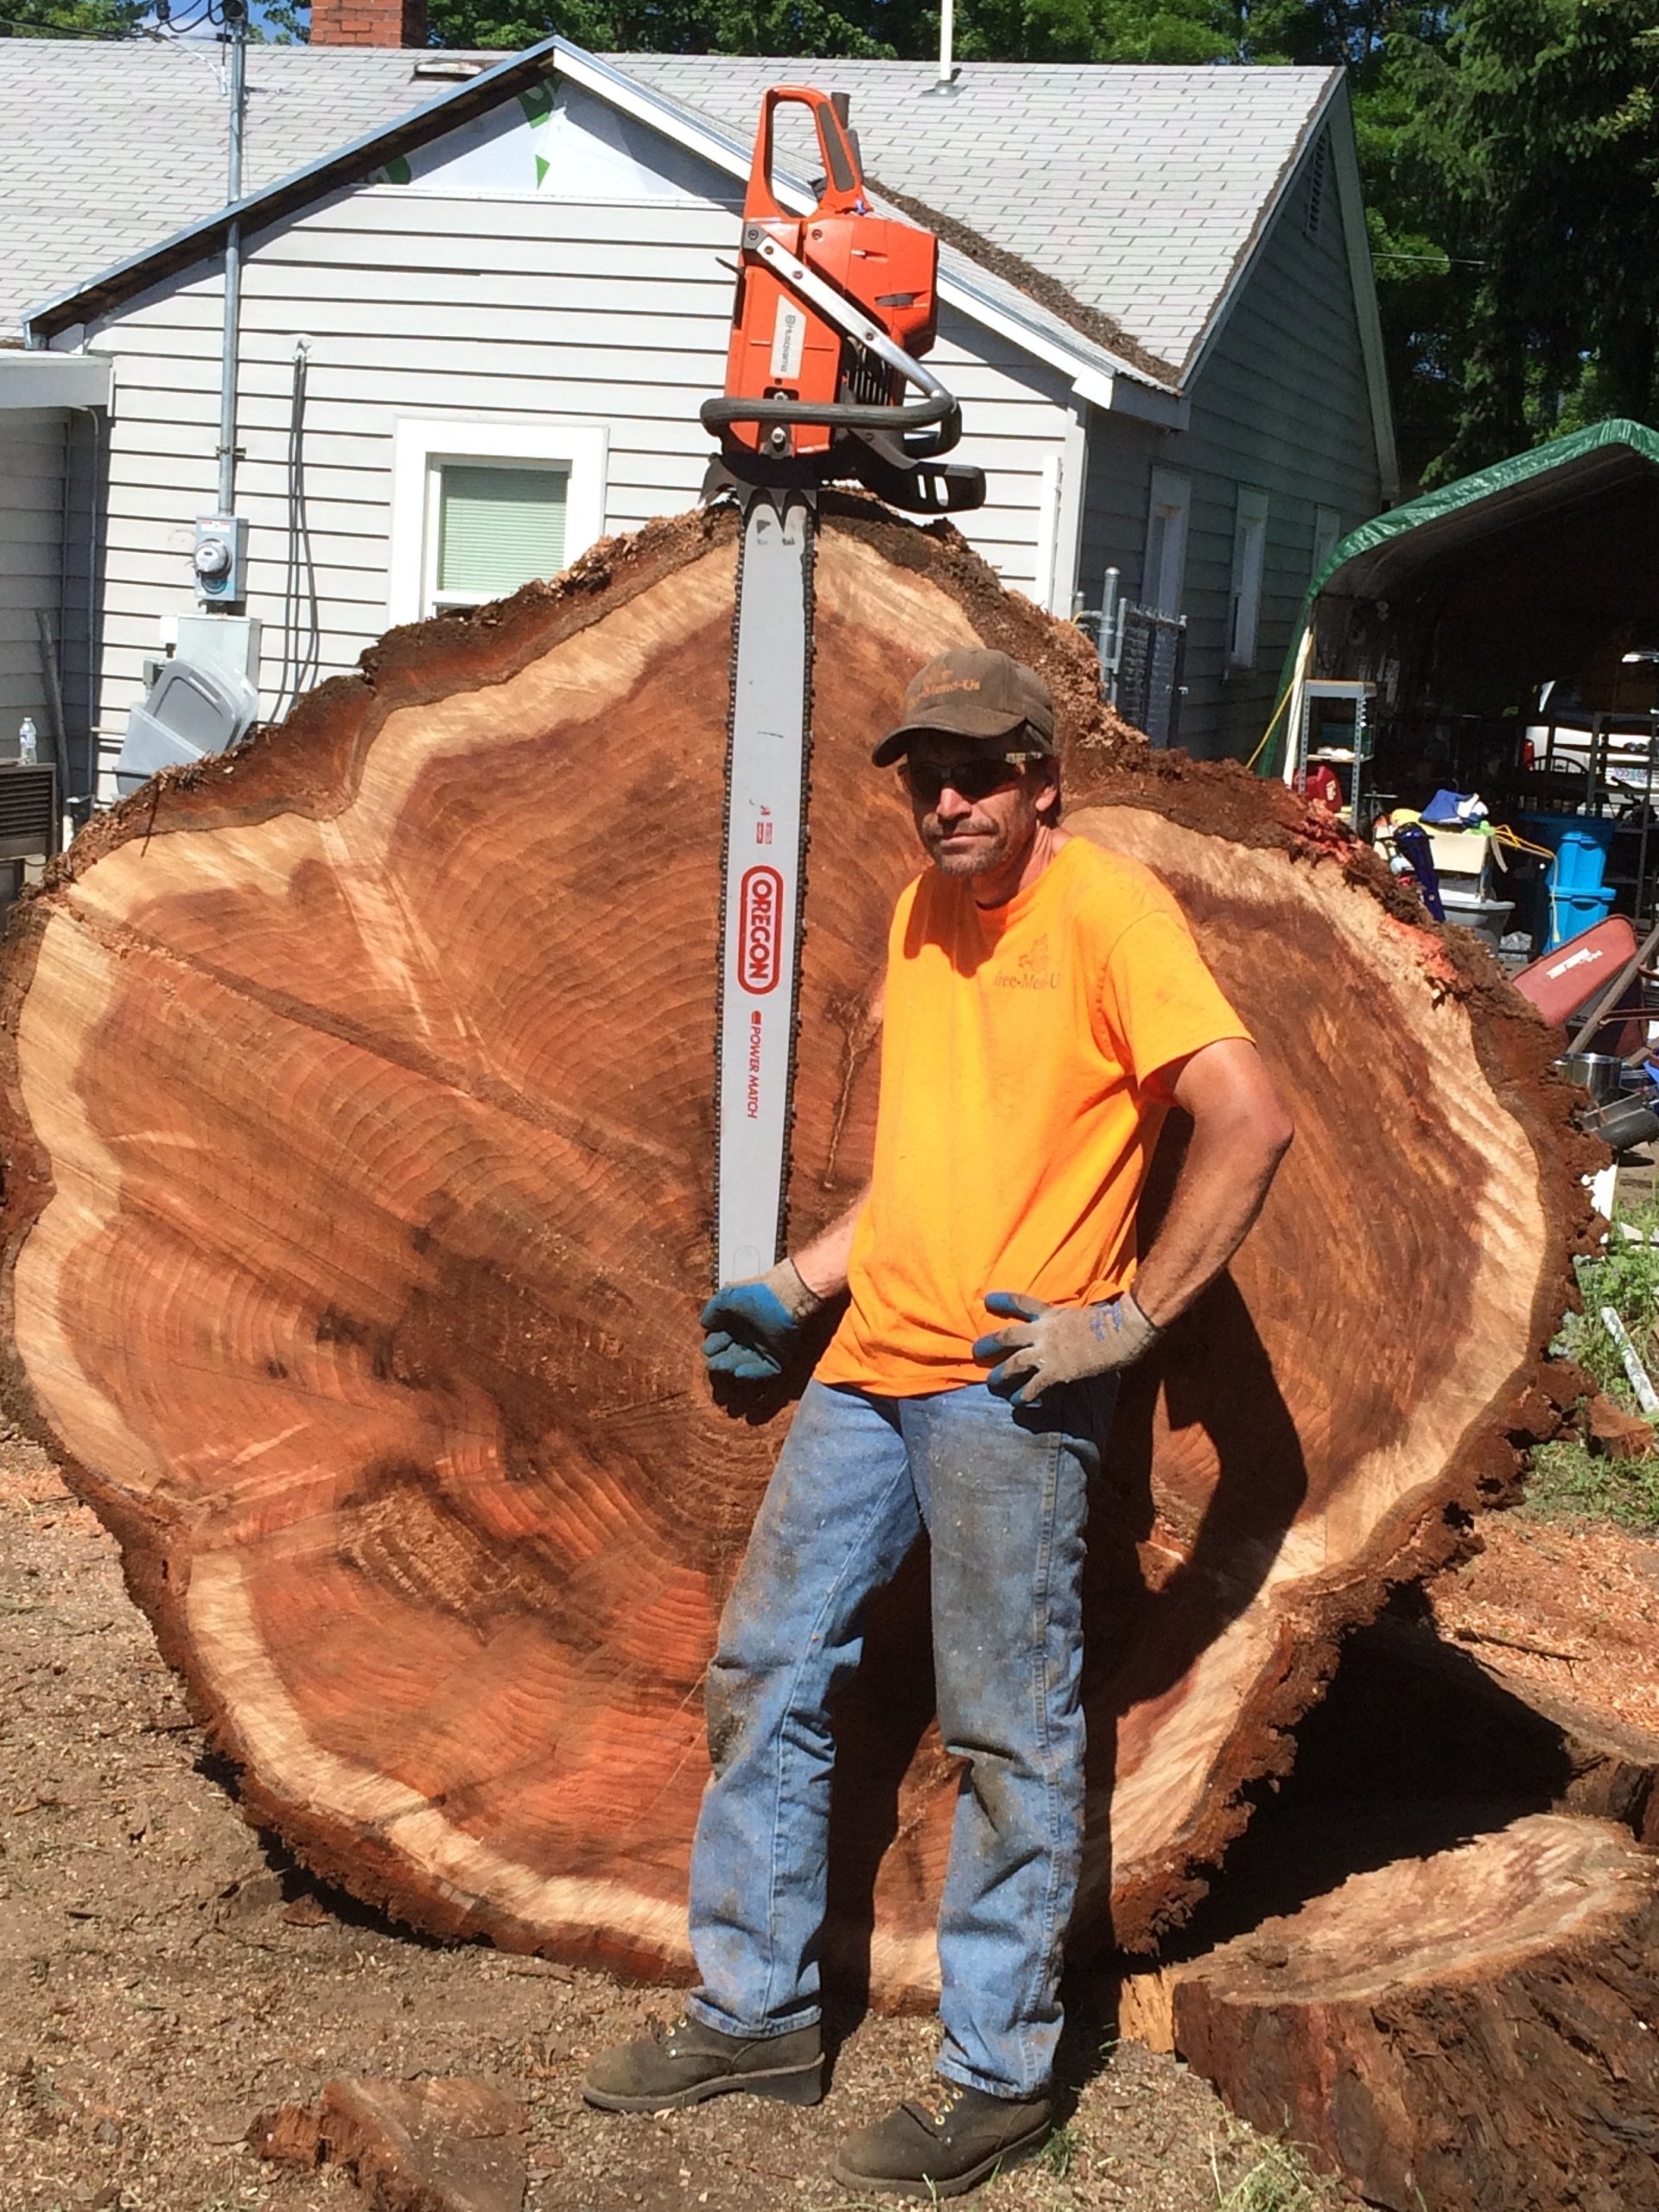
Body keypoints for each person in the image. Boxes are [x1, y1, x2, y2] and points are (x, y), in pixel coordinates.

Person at [583, 647, 1294, 2197]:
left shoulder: (1109, 914)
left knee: (1005, 1725)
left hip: (1002, 1385)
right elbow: (930, 1161)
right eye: (924, 776)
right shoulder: (919, 920)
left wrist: (1128, 1320)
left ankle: (997, 2073)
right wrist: (796, 1279)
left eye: (978, 771)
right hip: (866, 1369)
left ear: (1046, 778)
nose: (948, 801)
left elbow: (1249, 1115)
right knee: (767, 1668)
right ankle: (756, 2011)